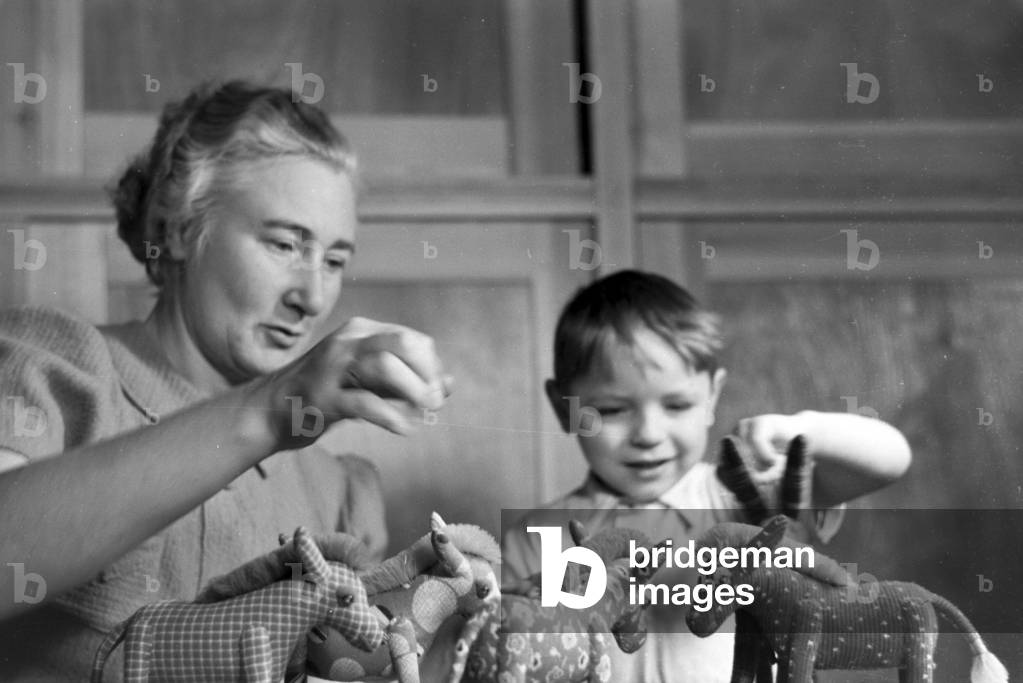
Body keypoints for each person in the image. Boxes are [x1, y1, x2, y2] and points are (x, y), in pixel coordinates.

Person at [0, 81, 451, 680]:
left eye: (335, 260)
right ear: (182, 227)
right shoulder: (60, 369)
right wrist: (266, 411)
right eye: (285, 243)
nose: (312, 297)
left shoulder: (336, 490)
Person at [502, 269, 912, 682]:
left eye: (677, 405)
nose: (648, 435)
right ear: (563, 408)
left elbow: (890, 459)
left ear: (711, 397)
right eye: (611, 410)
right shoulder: (536, 536)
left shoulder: (744, 500)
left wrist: (801, 429)